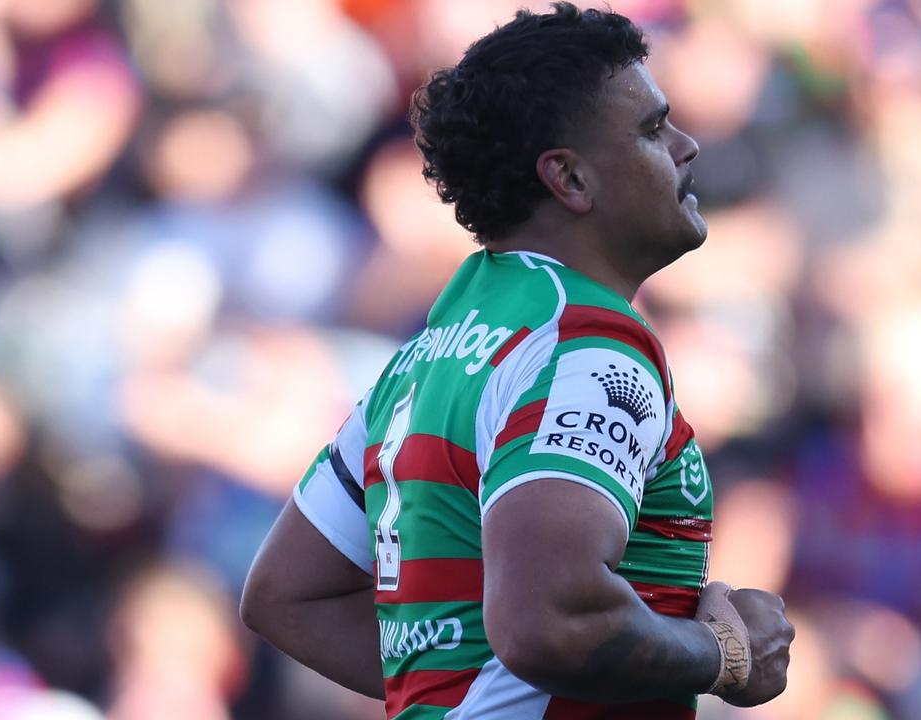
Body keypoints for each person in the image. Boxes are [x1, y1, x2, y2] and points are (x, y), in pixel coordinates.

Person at [240, 4, 794, 718]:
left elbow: (289, 596)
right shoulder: (585, 344)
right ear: (570, 179)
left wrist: (464, 689)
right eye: (653, 129)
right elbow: (549, 620)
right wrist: (725, 654)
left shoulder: (433, 347)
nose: (687, 146)